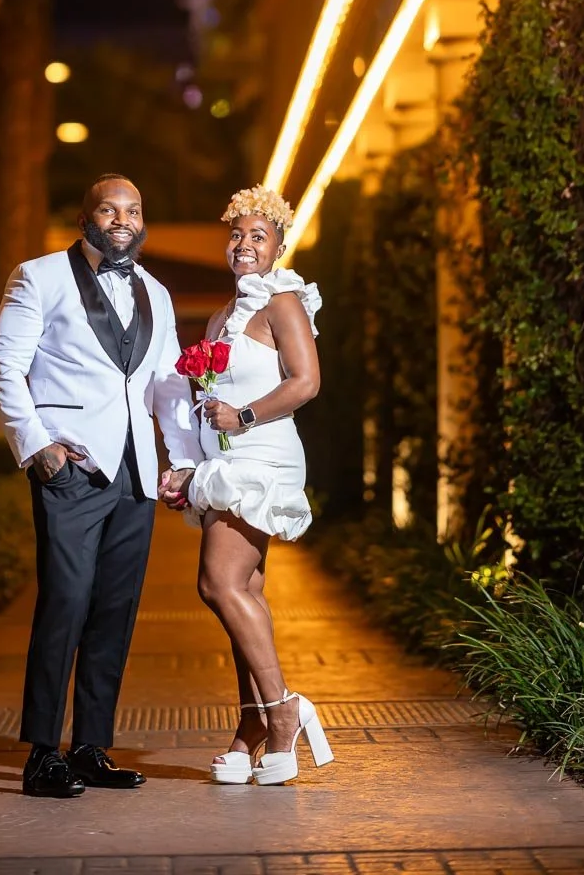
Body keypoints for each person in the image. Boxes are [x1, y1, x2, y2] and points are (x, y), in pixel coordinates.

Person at [0, 172, 202, 800]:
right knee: (65, 604)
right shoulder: (40, 276)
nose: (122, 220)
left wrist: (180, 460)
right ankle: (40, 755)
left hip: (135, 474)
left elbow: (167, 384)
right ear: (86, 218)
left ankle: (89, 748)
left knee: (114, 612)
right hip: (72, 471)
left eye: (133, 210)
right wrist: (38, 449)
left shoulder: (157, 294)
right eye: (109, 209)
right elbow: (6, 366)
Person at [162, 184, 333, 786]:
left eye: (258, 236)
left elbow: (305, 381)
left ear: (279, 246)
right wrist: (189, 466)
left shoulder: (282, 301)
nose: (244, 245)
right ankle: (252, 722)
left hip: (262, 454)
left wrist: (243, 417)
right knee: (243, 596)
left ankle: (281, 709)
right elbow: (210, 399)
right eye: (236, 234)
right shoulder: (221, 316)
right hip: (226, 461)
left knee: (218, 583)